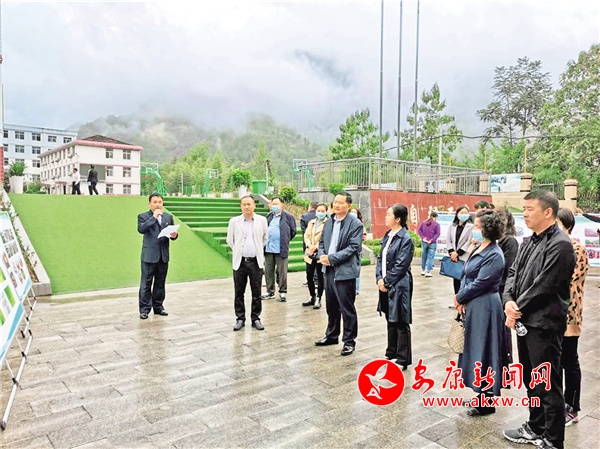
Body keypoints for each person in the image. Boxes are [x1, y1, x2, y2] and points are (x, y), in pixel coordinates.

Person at [503, 191, 576, 449]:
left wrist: (515, 309)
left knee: (547, 383)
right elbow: (513, 273)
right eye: (523, 209)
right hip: (525, 322)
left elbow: (545, 286)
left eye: (529, 209)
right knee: (531, 379)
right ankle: (535, 427)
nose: (524, 214)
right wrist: (508, 301)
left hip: (544, 324)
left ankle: (553, 440)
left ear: (548, 212)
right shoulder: (528, 241)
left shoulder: (560, 245)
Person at [454, 210, 506, 417]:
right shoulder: (478, 247)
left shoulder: (494, 254)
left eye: (477, 226)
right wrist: (461, 298)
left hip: (486, 306)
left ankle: (487, 400)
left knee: (485, 350)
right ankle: (480, 393)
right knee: (476, 349)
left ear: (488, 229)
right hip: (474, 304)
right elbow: (466, 275)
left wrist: (460, 297)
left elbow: (481, 282)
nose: (473, 230)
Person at [315, 192, 364, 356]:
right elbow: (322, 242)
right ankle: (332, 335)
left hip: (345, 271)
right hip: (329, 270)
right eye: (335, 202)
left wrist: (332, 258)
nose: (336, 205)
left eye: (340, 203)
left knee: (346, 308)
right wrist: (322, 255)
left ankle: (349, 341)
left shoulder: (355, 224)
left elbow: (353, 248)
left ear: (348, 205)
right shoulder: (329, 221)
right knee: (331, 306)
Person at [556, 207, 589, 426]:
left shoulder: (577, 249)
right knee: (555, 361)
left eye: (557, 224)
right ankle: (557, 403)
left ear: (567, 225)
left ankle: (572, 406)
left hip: (569, 314)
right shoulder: (551, 247)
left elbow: (567, 281)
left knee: (569, 360)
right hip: (551, 314)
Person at [376, 204, 414, 370]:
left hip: (399, 285)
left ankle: (402, 358)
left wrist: (386, 282)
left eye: (389, 214)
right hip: (385, 284)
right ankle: (391, 352)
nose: (386, 217)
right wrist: (379, 278)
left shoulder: (405, 239)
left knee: (400, 320)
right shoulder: (388, 235)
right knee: (389, 317)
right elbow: (380, 258)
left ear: (398, 219)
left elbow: (401, 265)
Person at [226, 195, 269, 331]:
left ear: (254, 205)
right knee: (239, 291)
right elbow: (230, 240)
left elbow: (265, 239)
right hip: (240, 262)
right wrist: (240, 250)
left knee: (256, 292)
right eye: (244, 204)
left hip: (255, 262)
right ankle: (240, 318)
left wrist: (255, 249)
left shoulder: (262, 220)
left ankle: (256, 318)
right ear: (241, 206)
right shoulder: (234, 221)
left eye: (249, 204)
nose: (246, 207)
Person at [137, 192, 178, 320]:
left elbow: (173, 234)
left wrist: (174, 235)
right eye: (155, 202)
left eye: (160, 202)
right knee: (146, 283)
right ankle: (144, 309)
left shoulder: (168, 217)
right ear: (150, 203)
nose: (158, 205)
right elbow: (141, 229)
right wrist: (154, 217)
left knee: (160, 283)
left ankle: (158, 307)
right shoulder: (143, 216)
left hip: (163, 255)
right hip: (149, 256)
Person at [261, 197, 297, 302]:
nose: (274, 206)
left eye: (276, 204)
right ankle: (270, 291)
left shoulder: (288, 217)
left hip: (281, 249)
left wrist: (285, 240)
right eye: (273, 204)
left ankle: (283, 291)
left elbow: (293, 231)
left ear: (282, 205)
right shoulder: (269, 216)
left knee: (282, 272)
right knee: (268, 271)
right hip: (268, 249)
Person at [497, 208, 519, 365]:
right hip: (495, 288)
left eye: (502, 218)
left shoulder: (510, 241)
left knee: (503, 329)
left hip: (502, 288)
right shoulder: (498, 240)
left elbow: (508, 267)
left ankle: (505, 362)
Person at [302, 203, 328, 309]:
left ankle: (319, 298)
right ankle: (312, 296)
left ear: (326, 212)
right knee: (309, 275)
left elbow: (325, 238)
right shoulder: (311, 222)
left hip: (320, 253)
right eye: (318, 210)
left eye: (322, 211)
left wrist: (316, 247)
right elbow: (306, 235)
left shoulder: (328, 223)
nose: (320, 213)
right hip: (310, 252)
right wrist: (309, 246)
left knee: (320, 276)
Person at [446, 206, 474, 294]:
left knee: (464, 278)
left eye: (466, 213)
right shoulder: (452, 225)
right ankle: (456, 296)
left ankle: (463, 297)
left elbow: (469, 241)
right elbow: (448, 240)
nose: (464, 215)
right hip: (454, 256)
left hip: (464, 256)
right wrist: (452, 253)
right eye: (462, 213)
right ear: (457, 214)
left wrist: (458, 253)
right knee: (456, 278)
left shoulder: (471, 227)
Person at [417, 211, 440, 277]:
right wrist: (432, 240)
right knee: (430, 257)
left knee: (424, 256)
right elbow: (438, 234)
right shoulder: (436, 224)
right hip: (432, 243)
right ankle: (428, 271)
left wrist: (423, 237)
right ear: (435, 217)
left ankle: (423, 270)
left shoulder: (424, 222)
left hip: (424, 242)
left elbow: (419, 230)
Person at [300, 202, 318, 287]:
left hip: (308, 244)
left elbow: (304, 231)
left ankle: (310, 279)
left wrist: (309, 243)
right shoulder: (323, 218)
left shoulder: (304, 217)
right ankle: (316, 279)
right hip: (318, 244)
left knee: (309, 262)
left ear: (310, 207)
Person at [349, 207, 366, 295]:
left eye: (354, 212)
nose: (352, 213)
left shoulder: (360, 224)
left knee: (356, 270)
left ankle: (356, 288)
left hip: (357, 250)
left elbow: (364, 236)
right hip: (348, 250)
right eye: (351, 211)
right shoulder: (347, 223)